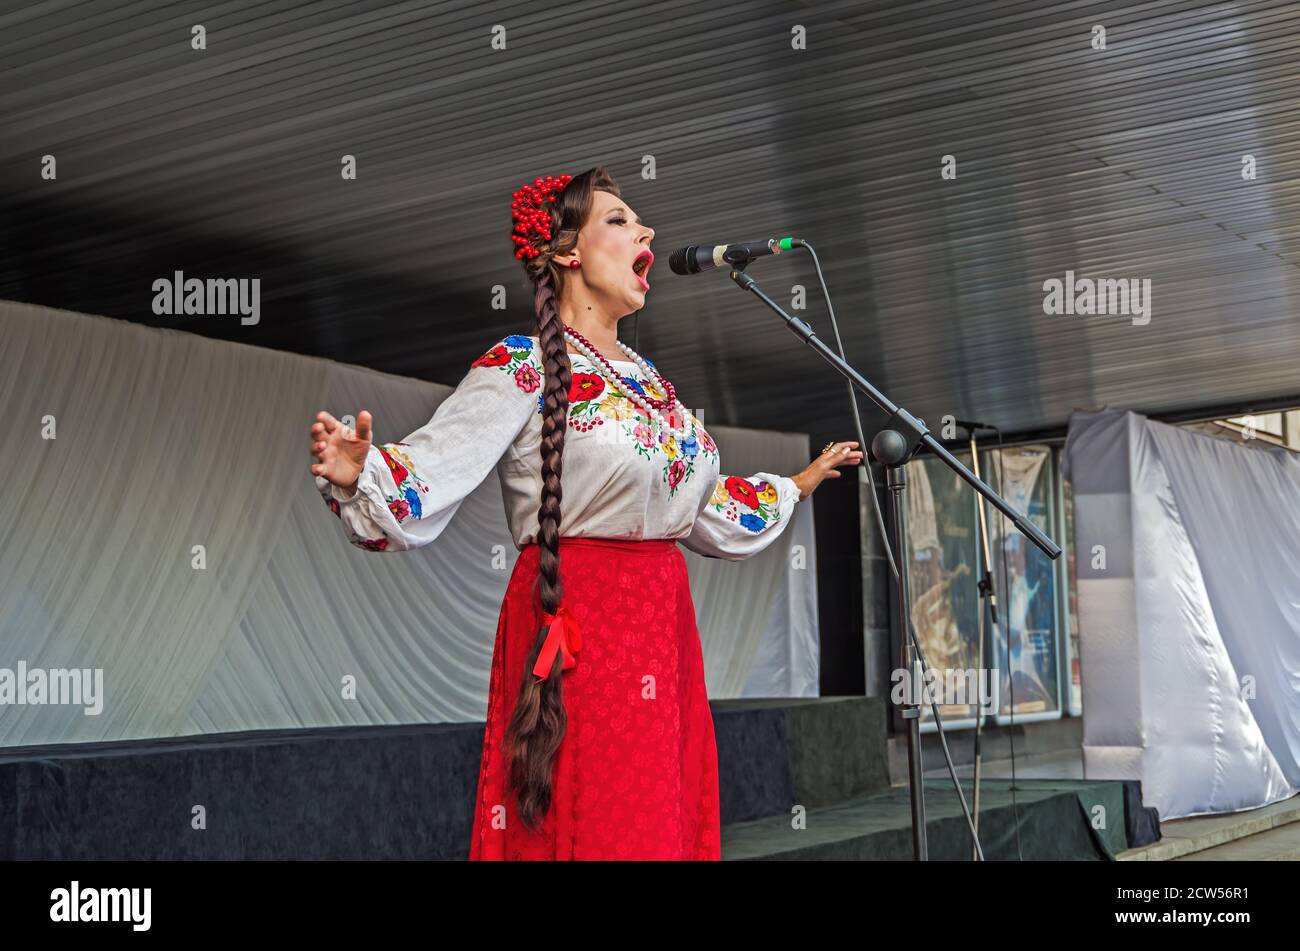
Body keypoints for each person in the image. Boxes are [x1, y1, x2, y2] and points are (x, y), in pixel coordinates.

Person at [308, 165, 863, 860]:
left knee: (659, 819)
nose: (648, 231)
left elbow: (705, 504)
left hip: (661, 627)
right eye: (622, 219)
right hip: (581, 624)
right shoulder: (525, 365)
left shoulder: (653, 384)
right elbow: (436, 462)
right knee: (595, 821)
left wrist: (802, 480)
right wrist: (364, 473)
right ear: (568, 253)